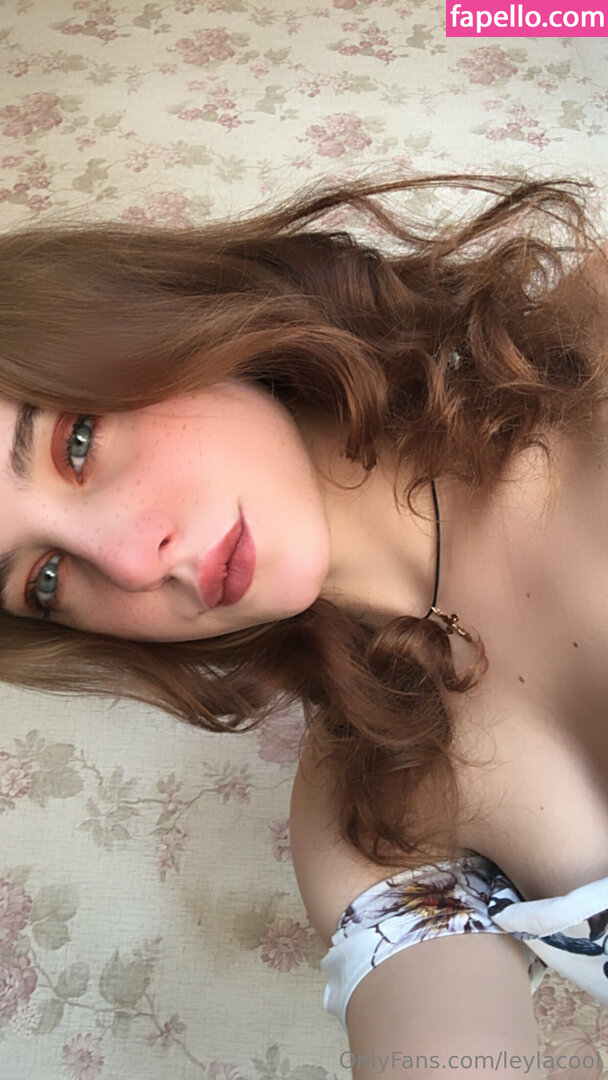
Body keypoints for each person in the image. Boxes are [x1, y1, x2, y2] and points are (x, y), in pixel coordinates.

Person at [0, 173, 607, 1077]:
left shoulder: (589, 351)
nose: (129, 562)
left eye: (74, 443)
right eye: (44, 578)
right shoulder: (366, 814)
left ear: (141, 319)